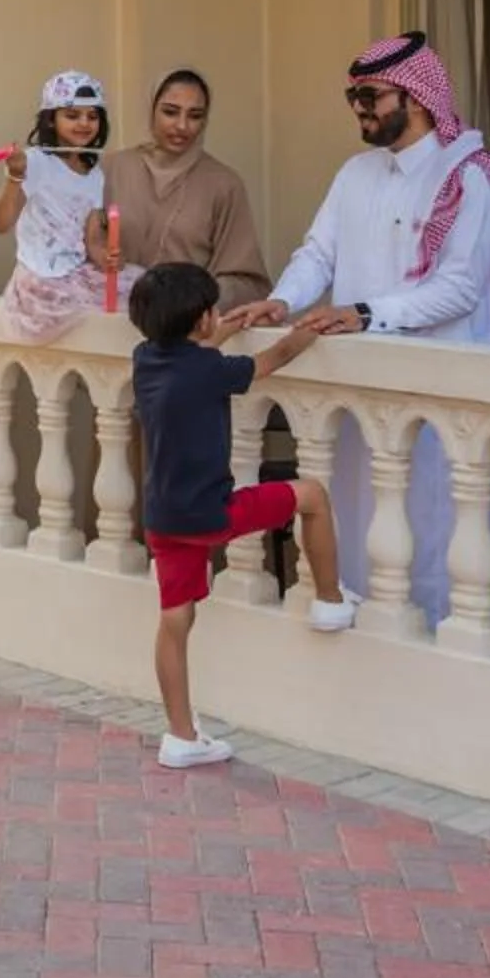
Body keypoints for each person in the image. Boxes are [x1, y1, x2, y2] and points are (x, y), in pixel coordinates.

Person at [228, 31, 490, 628]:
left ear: (415, 97)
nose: (359, 107)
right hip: (360, 392)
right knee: (359, 517)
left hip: (440, 393)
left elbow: (461, 287)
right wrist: (281, 302)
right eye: (352, 95)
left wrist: (363, 314)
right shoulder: (356, 173)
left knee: (436, 532)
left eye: (371, 95)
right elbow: (318, 254)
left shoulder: (467, 176)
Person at [130, 261, 354, 770]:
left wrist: (234, 324)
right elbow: (272, 360)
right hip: (213, 513)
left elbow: (198, 347)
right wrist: (307, 329)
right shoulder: (210, 371)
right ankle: (330, 600)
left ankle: (181, 736)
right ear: (202, 320)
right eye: (213, 312)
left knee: (175, 619)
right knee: (312, 494)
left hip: (164, 518)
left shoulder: (145, 358)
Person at [95, 69, 272, 310]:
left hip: (183, 332)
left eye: (195, 115)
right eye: (170, 112)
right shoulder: (109, 170)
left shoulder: (223, 184)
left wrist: (186, 300)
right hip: (107, 327)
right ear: (151, 110)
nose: (182, 126)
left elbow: (247, 283)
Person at [0, 70, 110, 343]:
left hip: (76, 276)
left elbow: (92, 241)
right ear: (51, 119)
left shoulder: (95, 175)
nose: (84, 123)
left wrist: (108, 257)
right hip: (40, 281)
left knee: (142, 292)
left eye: (92, 116)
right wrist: (15, 176)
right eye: (72, 115)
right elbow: (0, 224)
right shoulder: (35, 162)